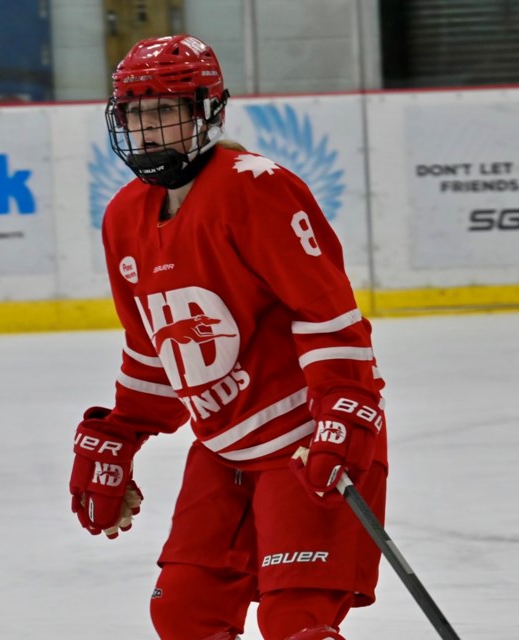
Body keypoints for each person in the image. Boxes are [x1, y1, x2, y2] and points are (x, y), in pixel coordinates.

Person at [68, 34, 389, 640]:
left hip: (305, 441)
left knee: (297, 621)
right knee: (184, 613)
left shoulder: (255, 188)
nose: (148, 129)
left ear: (206, 111)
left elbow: (326, 314)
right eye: (135, 114)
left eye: (164, 110)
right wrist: (121, 432)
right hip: (223, 450)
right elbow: (153, 350)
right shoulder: (122, 218)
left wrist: (345, 409)